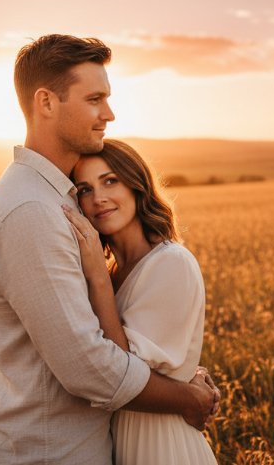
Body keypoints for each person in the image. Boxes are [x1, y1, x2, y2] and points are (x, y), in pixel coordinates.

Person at [0, 34, 219, 465]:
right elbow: (87, 367)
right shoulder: (31, 209)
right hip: (49, 454)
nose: (109, 113)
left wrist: (177, 374)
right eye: (94, 99)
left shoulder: (56, 199)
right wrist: (184, 396)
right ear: (46, 102)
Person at [65, 139, 218, 464]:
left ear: (137, 185)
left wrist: (97, 277)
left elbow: (119, 369)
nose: (99, 198)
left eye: (110, 181)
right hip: (118, 442)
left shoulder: (171, 262)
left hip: (163, 445)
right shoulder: (110, 272)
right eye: (85, 189)